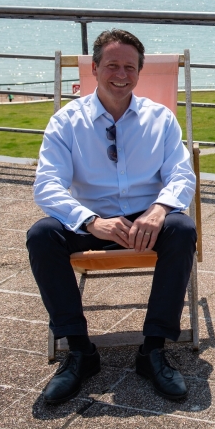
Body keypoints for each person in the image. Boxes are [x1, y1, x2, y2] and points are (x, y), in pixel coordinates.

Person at [27, 29, 196, 405]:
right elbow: (47, 185)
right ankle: (79, 352)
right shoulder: (66, 121)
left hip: (145, 221)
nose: (121, 74)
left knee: (182, 228)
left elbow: (182, 175)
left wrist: (159, 210)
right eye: (113, 65)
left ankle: (153, 351)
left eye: (130, 67)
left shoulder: (161, 119)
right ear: (94, 67)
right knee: (41, 236)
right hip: (89, 221)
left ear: (140, 71)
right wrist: (90, 221)